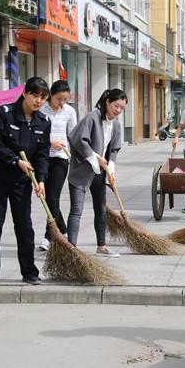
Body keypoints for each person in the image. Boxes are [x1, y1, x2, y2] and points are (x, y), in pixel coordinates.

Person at [0, 77, 51, 289]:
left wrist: (42, 180)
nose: (38, 101)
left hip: (22, 182)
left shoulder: (43, 123)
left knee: (25, 227)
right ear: (25, 93)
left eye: (43, 97)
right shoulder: (5, 113)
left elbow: (43, 155)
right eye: (35, 95)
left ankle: (29, 271)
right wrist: (16, 160)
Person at [67, 88, 125, 257]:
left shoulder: (115, 124)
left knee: (100, 209)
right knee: (76, 210)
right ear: (107, 102)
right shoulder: (92, 118)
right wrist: (93, 156)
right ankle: (71, 249)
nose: (118, 111)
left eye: (122, 108)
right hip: (82, 171)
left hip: (100, 172)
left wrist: (111, 168)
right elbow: (77, 138)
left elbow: (114, 149)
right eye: (116, 106)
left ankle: (102, 246)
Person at [38, 80, 77, 251]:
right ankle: (63, 229)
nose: (62, 103)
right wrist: (49, 142)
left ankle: (49, 236)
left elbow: (74, 135)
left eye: (65, 100)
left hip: (61, 159)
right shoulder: (41, 109)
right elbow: (35, 134)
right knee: (46, 198)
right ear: (51, 96)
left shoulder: (69, 111)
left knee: (52, 197)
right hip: (41, 158)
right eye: (59, 99)